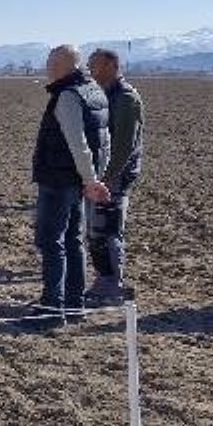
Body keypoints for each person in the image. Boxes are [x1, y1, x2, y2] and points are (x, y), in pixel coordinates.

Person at [32, 45, 112, 314]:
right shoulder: (94, 91)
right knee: (72, 240)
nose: (48, 69)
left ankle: (52, 308)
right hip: (76, 181)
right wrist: (94, 177)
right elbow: (104, 140)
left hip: (59, 180)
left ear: (66, 67)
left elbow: (79, 143)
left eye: (52, 64)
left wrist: (91, 180)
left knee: (51, 241)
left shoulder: (68, 96)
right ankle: (74, 303)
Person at [85, 48, 146, 303]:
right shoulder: (104, 95)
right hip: (101, 174)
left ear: (110, 65)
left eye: (94, 64)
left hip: (115, 176)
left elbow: (123, 146)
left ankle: (112, 284)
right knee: (96, 230)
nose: (89, 68)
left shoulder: (126, 98)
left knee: (108, 229)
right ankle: (104, 280)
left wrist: (108, 178)